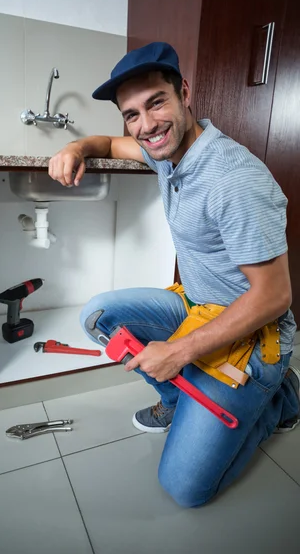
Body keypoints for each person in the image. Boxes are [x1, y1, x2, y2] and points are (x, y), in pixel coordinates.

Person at [48, 42, 300, 508]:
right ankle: (182, 398)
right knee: (100, 315)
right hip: (199, 305)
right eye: (131, 114)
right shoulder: (166, 151)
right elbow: (105, 144)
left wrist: (177, 352)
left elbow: (274, 296)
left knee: (185, 488)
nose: (145, 125)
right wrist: (75, 145)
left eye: (156, 103)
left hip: (255, 333)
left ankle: (279, 400)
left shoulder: (231, 177)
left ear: (183, 93)